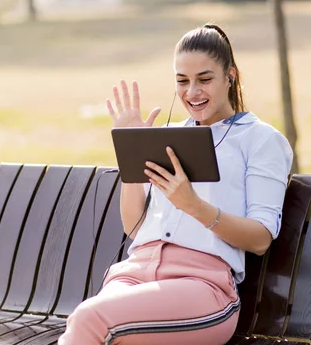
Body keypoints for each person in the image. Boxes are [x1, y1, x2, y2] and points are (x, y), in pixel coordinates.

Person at [58, 24, 293, 345]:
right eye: (182, 81)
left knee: (90, 320)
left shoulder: (260, 140)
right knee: (90, 322)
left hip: (202, 286)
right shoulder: (167, 134)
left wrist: (194, 206)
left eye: (204, 79)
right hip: (135, 274)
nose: (192, 92)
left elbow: (261, 239)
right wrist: (131, 151)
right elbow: (134, 227)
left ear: (231, 75)